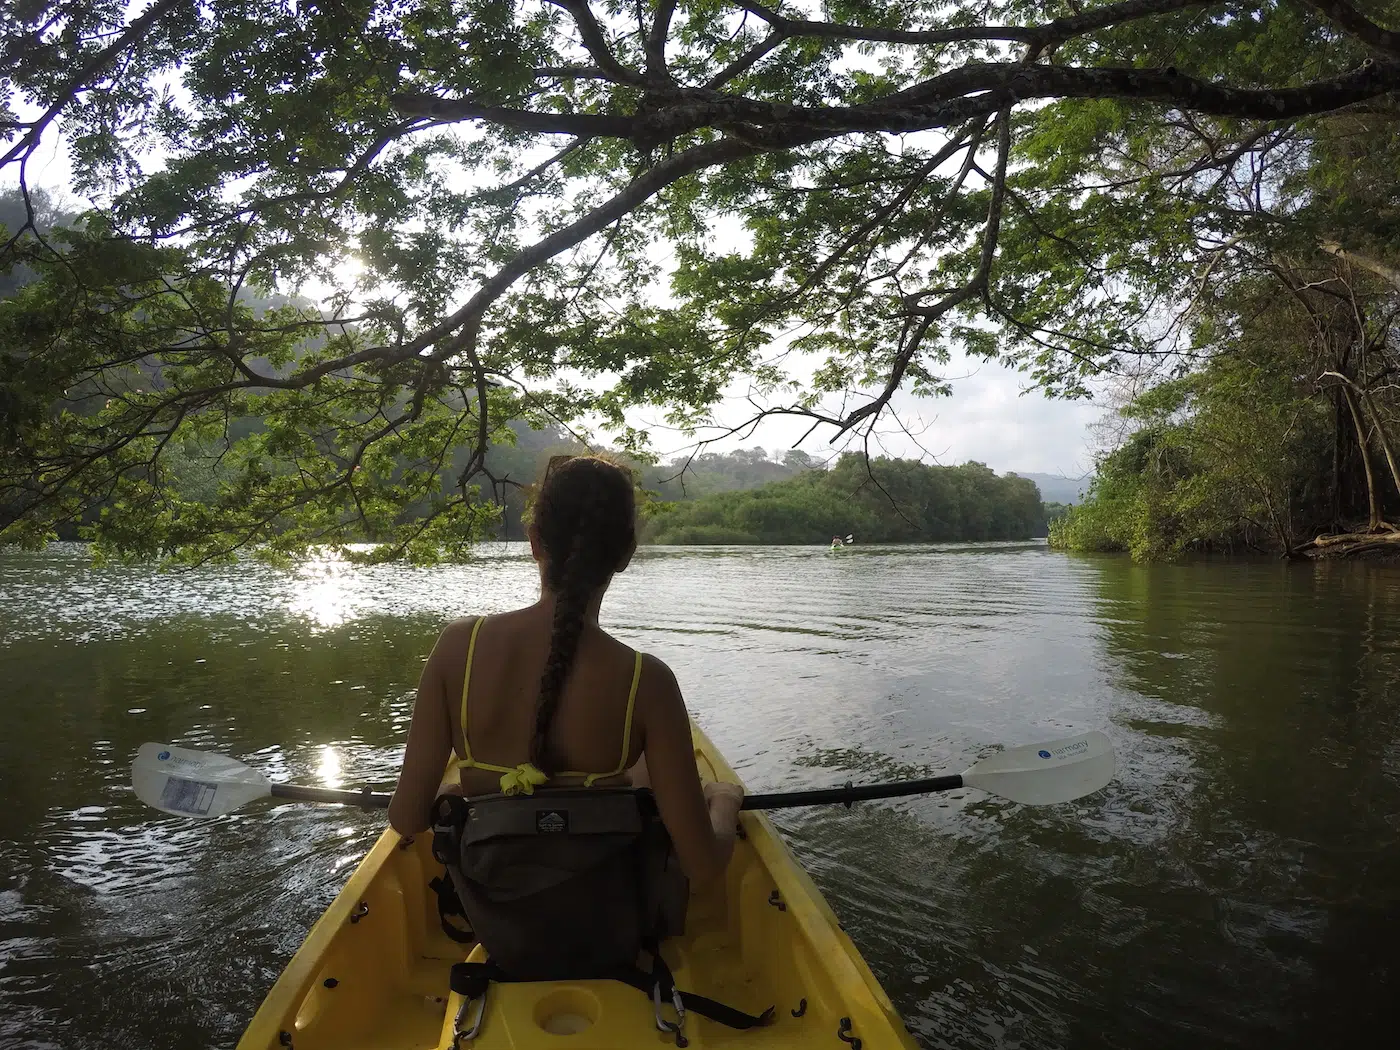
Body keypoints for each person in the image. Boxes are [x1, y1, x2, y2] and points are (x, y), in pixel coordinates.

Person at [388, 454, 744, 884]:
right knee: (646, 771)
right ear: (626, 553)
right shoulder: (646, 680)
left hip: (497, 914)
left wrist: (451, 792)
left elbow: (407, 819)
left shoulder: (457, 646)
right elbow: (703, 867)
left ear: (535, 541)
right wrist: (723, 803)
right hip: (604, 915)